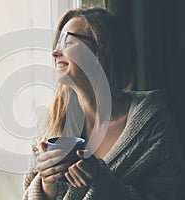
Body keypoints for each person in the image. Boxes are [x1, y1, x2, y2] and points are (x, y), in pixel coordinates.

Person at [22, 7, 185, 200]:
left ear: (99, 53)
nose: (55, 52)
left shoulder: (154, 127)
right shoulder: (51, 125)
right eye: (57, 42)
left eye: (67, 41)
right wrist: (47, 184)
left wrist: (100, 181)